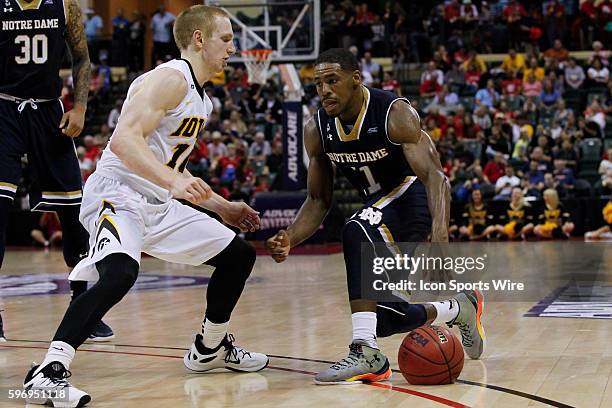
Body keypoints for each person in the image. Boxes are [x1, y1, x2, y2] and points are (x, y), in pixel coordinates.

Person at [23, 6, 268, 407]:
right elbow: (123, 141)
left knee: (238, 256)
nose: (232, 47)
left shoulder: (201, 99)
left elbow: (170, 166)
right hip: (117, 193)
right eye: (226, 38)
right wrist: (175, 182)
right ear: (199, 39)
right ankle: (49, 371)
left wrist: (222, 206)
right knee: (120, 273)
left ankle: (209, 348)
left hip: (157, 201)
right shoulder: (171, 78)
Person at [266, 48, 485, 385]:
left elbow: (436, 178)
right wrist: (290, 237)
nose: (324, 90)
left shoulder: (393, 113)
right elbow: (318, 199)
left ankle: (365, 350)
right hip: (381, 210)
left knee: (356, 229)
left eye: (332, 81)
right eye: (318, 84)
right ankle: (459, 308)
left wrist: (440, 242)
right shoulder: (317, 129)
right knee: (384, 317)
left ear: (356, 80)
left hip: (411, 201)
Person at [0, 0, 113, 344]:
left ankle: (83, 306)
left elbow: (81, 57)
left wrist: (80, 106)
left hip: (50, 112)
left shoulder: (65, 6)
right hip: (4, 110)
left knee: (73, 212)